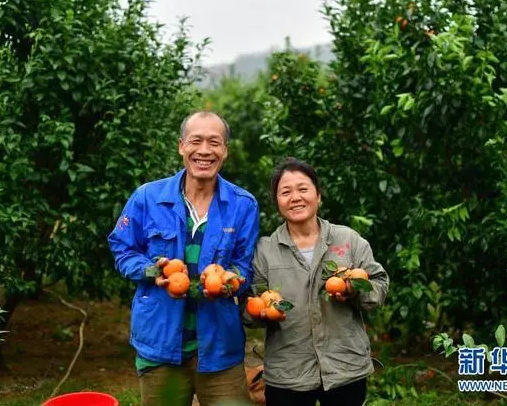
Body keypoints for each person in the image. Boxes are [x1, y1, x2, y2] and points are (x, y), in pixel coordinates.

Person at [108, 111, 260, 406]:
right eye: (196, 141)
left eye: (214, 143)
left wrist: (230, 281)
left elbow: (244, 265)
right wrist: (153, 270)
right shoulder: (147, 198)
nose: (204, 150)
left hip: (219, 349)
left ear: (225, 150)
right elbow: (122, 249)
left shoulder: (243, 205)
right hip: (160, 346)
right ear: (181, 146)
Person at [246, 157, 389, 406]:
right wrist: (263, 314)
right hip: (288, 374)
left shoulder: (348, 240)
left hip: (345, 368)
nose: (295, 197)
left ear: (318, 196)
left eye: (303, 189)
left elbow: (378, 284)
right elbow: (250, 305)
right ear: (277, 202)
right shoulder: (265, 251)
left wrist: (354, 292)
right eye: (286, 192)